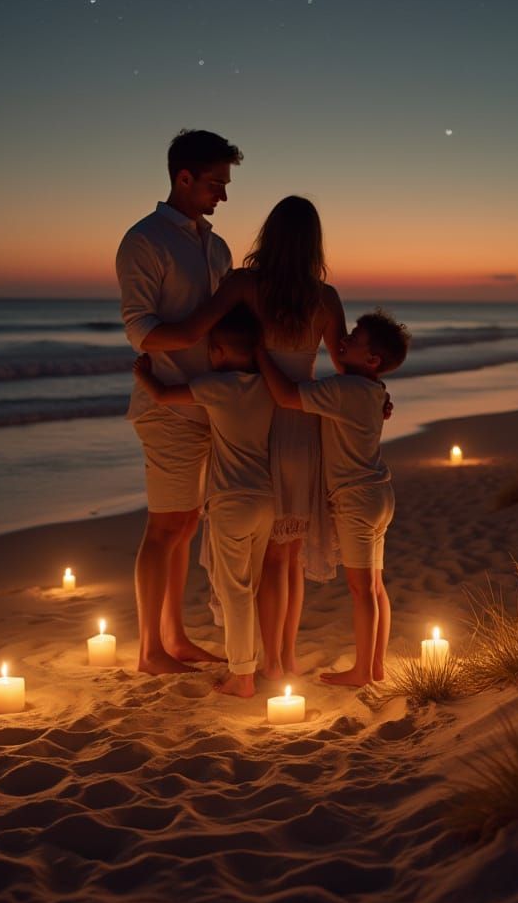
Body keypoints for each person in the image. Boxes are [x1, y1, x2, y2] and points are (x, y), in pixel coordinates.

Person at [140, 196, 347, 679]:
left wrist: (143, 337)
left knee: (270, 558)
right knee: (290, 555)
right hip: (303, 430)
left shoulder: (243, 285)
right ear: (314, 244)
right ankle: (286, 658)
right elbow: (345, 368)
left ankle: (270, 662)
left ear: (268, 236)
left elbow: (194, 330)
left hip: (259, 423)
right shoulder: (326, 298)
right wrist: (372, 398)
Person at [115, 128, 243, 675]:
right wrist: (205, 320)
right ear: (183, 178)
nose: (223, 195)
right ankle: (150, 650)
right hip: (166, 404)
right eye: (215, 183)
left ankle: (176, 636)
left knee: (187, 526)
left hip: (211, 403)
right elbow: (140, 330)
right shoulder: (144, 241)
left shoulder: (217, 247)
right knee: (165, 527)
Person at [256, 309, 411, 687]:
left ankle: (362, 671)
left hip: (355, 500)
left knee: (361, 589)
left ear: (372, 359)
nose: (344, 340)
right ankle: (375, 665)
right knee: (375, 586)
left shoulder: (344, 391)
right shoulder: (375, 391)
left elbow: (287, 396)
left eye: (354, 339)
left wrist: (260, 353)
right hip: (379, 495)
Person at [132, 305, 275, 697]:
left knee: (234, 591)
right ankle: (248, 665)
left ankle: (242, 676)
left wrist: (144, 375)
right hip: (266, 501)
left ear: (217, 352)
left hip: (231, 503)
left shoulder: (215, 386)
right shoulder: (267, 387)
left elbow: (164, 396)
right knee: (251, 587)